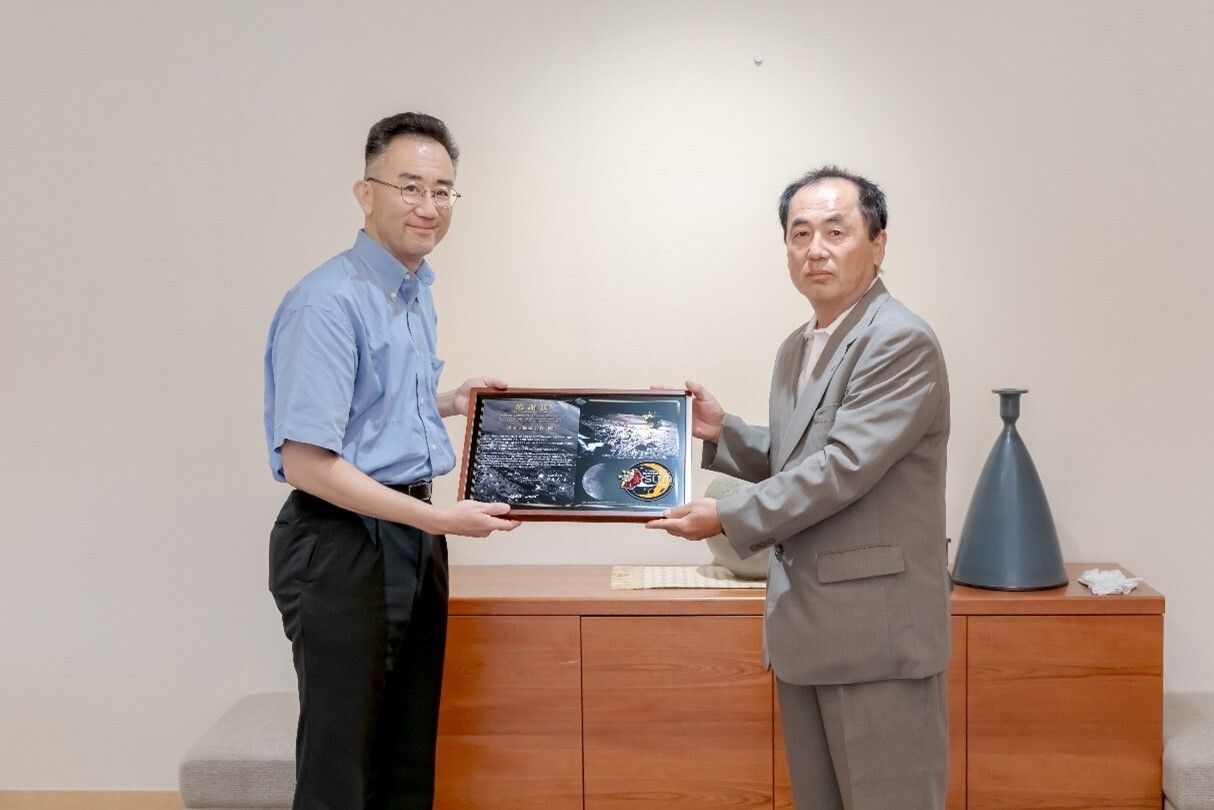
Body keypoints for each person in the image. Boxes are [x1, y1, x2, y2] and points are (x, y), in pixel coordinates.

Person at [648, 167, 951, 809]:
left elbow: (842, 468)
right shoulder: (798, 347)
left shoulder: (899, 339)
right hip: (805, 631)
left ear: (878, 243)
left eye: (836, 231)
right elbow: (798, 459)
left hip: (875, 636)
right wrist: (722, 431)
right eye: (800, 233)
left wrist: (728, 517)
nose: (816, 249)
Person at [263, 112, 520, 810]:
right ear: (365, 193)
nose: (428, 206)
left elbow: (366, 413)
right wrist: (438, 521)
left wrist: (450, 402)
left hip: (409, 534)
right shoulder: (327, 301)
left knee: (406, 754)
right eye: (409, 187)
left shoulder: (411, 292)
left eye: (442, 190)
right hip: (341, 541)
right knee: (342, 772)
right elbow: (308, 461)